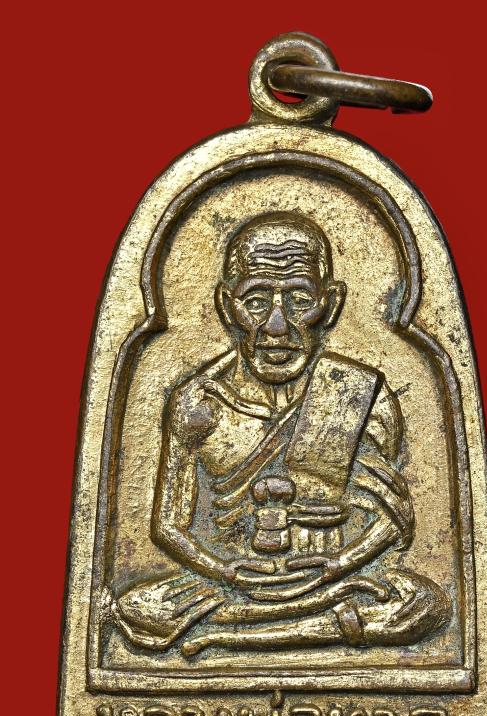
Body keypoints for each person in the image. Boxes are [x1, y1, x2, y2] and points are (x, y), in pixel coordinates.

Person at [110, 212, 450, 655]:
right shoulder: (198, 402)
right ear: (227, 305)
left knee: (425, 604)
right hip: (237, 584)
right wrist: (226, 572)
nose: (276, 326)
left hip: (333, 578)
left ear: (330, 303)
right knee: (139, 606)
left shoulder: (358, 392)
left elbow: (393, 517)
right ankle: (306, 628)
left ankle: (232, 635)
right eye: (255, 302)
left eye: (299, 300)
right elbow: (168, 526)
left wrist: (337, 565)